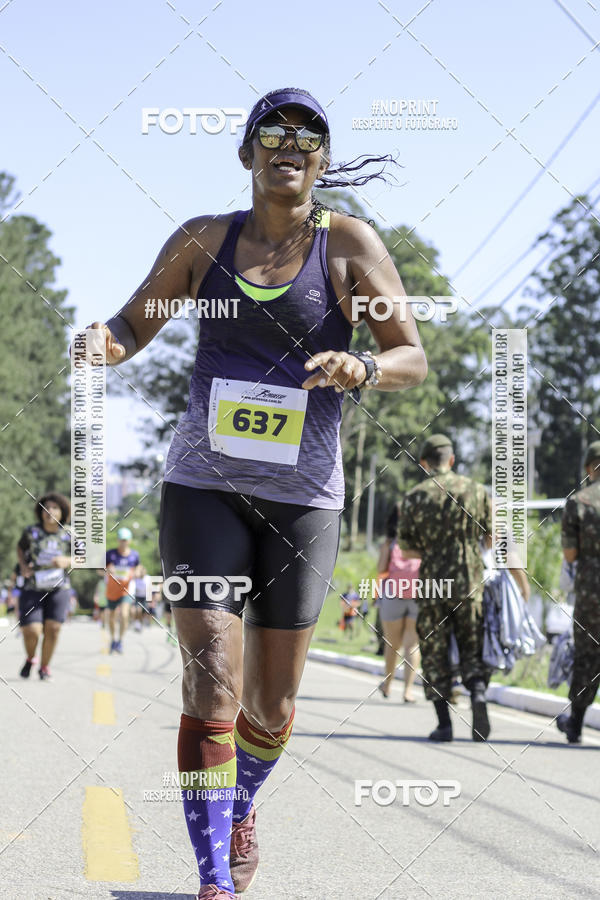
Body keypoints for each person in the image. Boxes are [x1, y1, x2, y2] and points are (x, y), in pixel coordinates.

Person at [84, 86, 426, 899]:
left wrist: (364, 366)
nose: (291, 144)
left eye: (309, 136)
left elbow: (410, 355)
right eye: (273, 131)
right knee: (209, 676)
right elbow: (133, 325)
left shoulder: (349, 248)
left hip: (303, 501)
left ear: (324, 161)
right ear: (247, 153)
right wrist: (98, 344)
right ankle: (215, 881)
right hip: (202, 486)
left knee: (269, 707)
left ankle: (241, 805)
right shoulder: (204, 242)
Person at [398, 434, 492, 742]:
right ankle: (477, 694)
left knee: (435, 650)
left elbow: (408, 550)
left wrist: (433, 548)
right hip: (470, 580)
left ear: (425, 463)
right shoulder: (477, 491)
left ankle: (444, 724)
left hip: (433, 583)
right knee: (472, 643)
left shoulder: (414, 496)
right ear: (451, 460)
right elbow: (493, 539)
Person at [557, 440, 600, 744]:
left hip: (592, 589)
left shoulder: (580, 501)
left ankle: (576, 724)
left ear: (589, 467)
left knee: (587, 654)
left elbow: (570, 555)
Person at [17, 492, 73, 680]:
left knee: (53, 628)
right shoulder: (31, 531)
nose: (49, 511)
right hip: (33, 587)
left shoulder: (69, 533)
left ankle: (44, 667)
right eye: (45, 508)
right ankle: (31, 658)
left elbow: (84, 558)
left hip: (59, 588)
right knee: (32, 631)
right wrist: (23, 566)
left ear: (62, 512)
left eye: (55, 508)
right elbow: (20, 548)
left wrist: (68, 560)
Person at [377, 503, 421, 702]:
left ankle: (387, 684)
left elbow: (381, 569)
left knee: (392, 644)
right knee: (412, 645)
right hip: (419, 593)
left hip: (394, 592)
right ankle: (408, 691)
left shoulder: (392, 541)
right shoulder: (423, 537)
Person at [105, 527, 139, 653]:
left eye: (125, 540)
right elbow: (99, 570)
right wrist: (107, 570)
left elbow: (137, 568)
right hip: (112, 590)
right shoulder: (110, 554)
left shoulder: (134, 555)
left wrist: (136, 572)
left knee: (124, 615)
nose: (123, 542)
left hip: (126, 590)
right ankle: (113, 639)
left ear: (129, 540)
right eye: (121, 539)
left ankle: (120, 641)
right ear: (118, 540)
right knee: (112, 618)